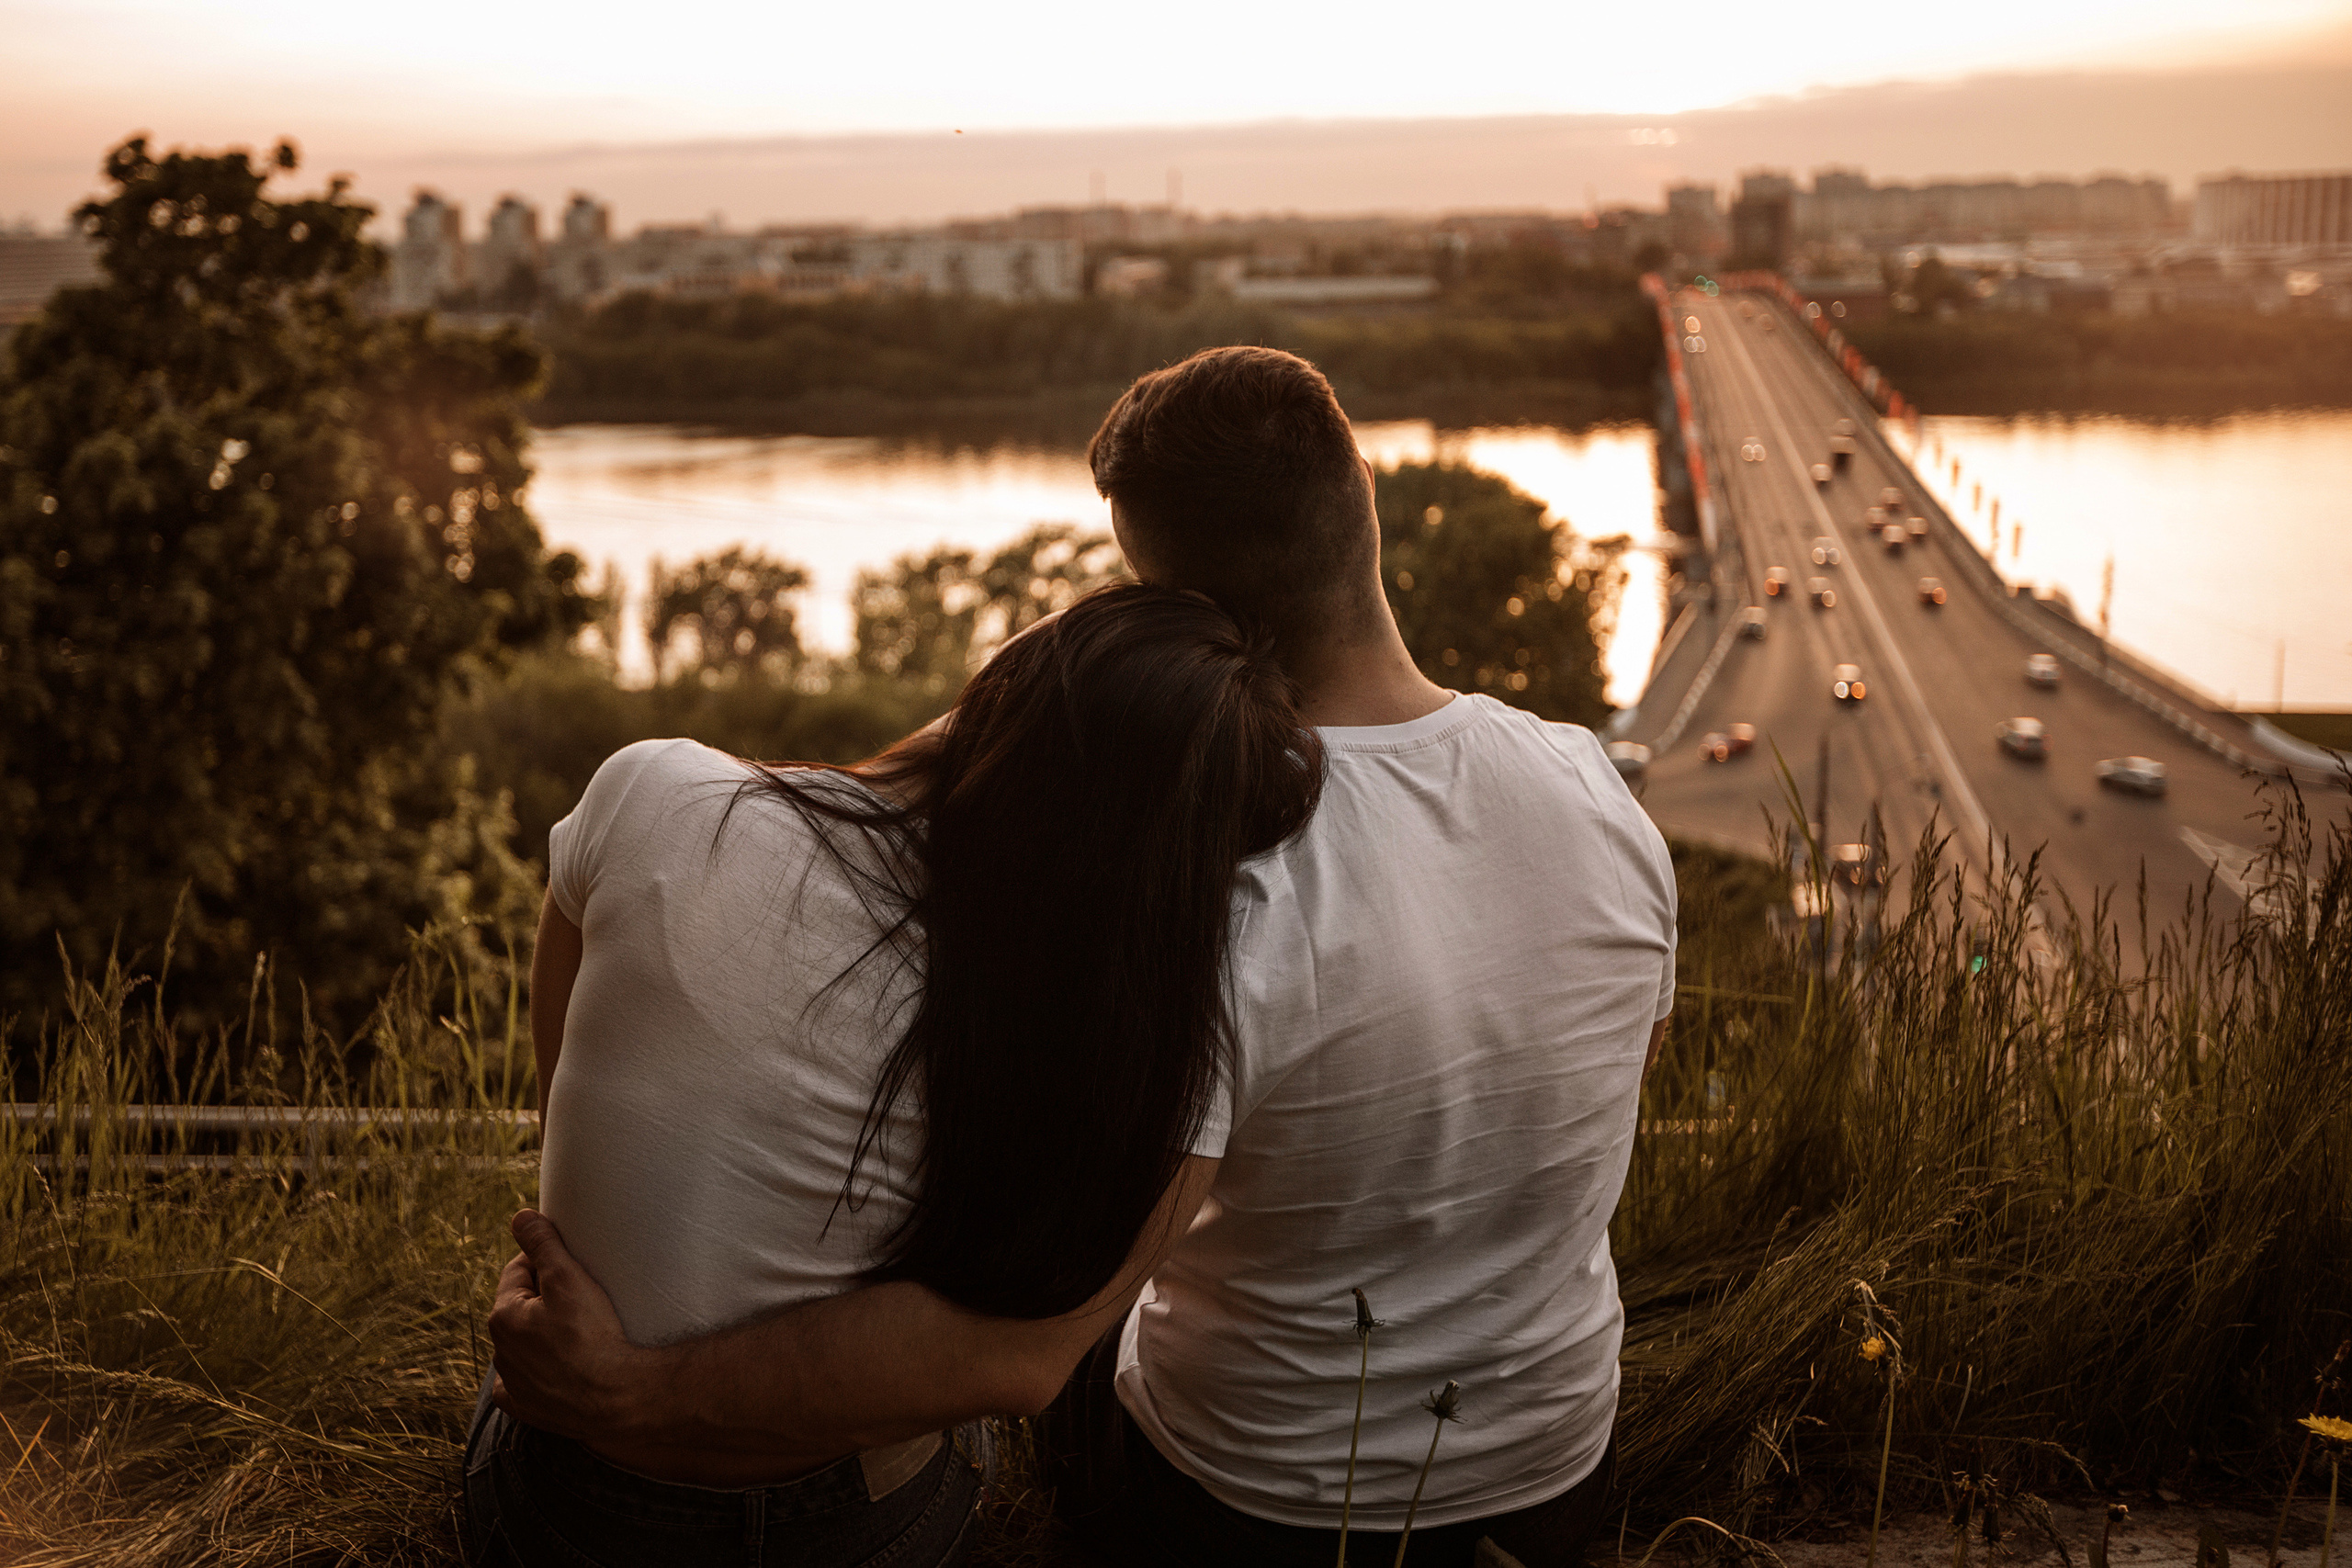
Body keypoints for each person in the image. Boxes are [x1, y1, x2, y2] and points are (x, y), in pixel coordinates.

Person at [488, 346, 1679, 1568]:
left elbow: (1030, 1333)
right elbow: (1620, 1068)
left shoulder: (1207, 890)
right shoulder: (1592, 782)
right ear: (1360, 495)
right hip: (1556, 1473)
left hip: (1247, 1512)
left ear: (1184, 609)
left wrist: (628, 1378)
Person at [463, 583, 1324, 1566]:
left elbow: (568, 1098)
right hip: (862, 1524)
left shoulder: (656, 798)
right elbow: (1020, 1364)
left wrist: (624, 1366)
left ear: (1017, 683)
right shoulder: (1121, 1028)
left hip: (573, 1500)